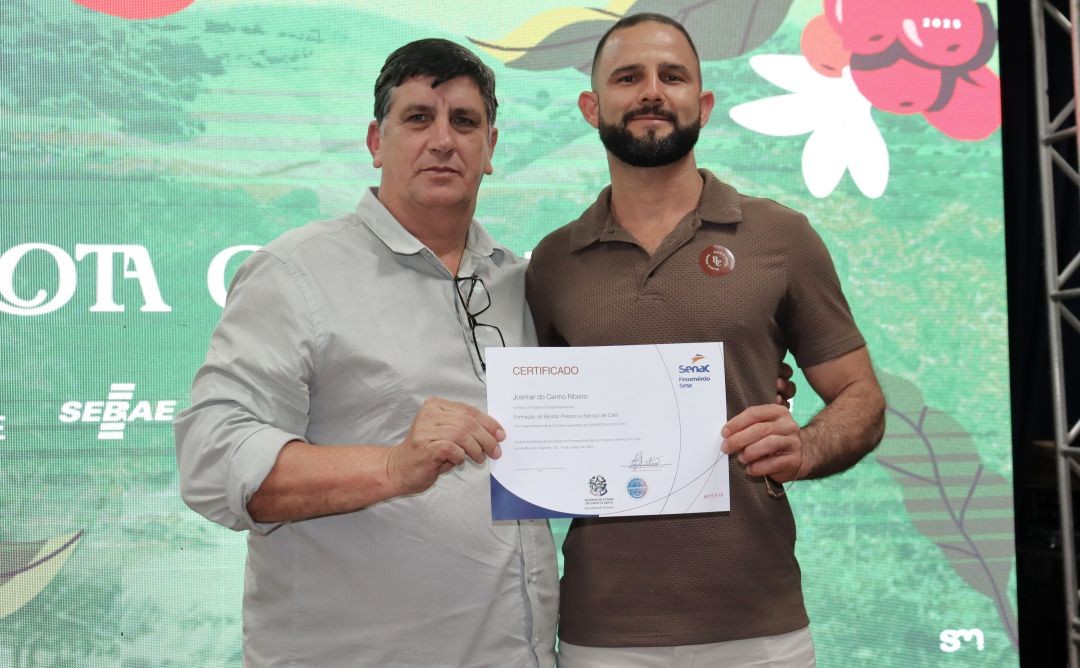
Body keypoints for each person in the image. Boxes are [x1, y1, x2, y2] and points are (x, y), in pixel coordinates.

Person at [173, 39, 559, 666]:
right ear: (376, 142)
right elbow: (213, 459)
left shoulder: (520, 283)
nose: (443, 140)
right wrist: (391, 467)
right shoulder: (295, 272)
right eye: (418, 118)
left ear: (490, 148)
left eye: (464, 122)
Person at [524, 13, 887, 667]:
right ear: (591, 106)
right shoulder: (552, 263)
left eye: (673, 76)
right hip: (603, 635)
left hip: (759, 629)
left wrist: (805, 446)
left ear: (705, 103)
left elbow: (861, 397)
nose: (651, 92)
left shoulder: (782, 237)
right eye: (627, 77)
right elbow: (534, 427)